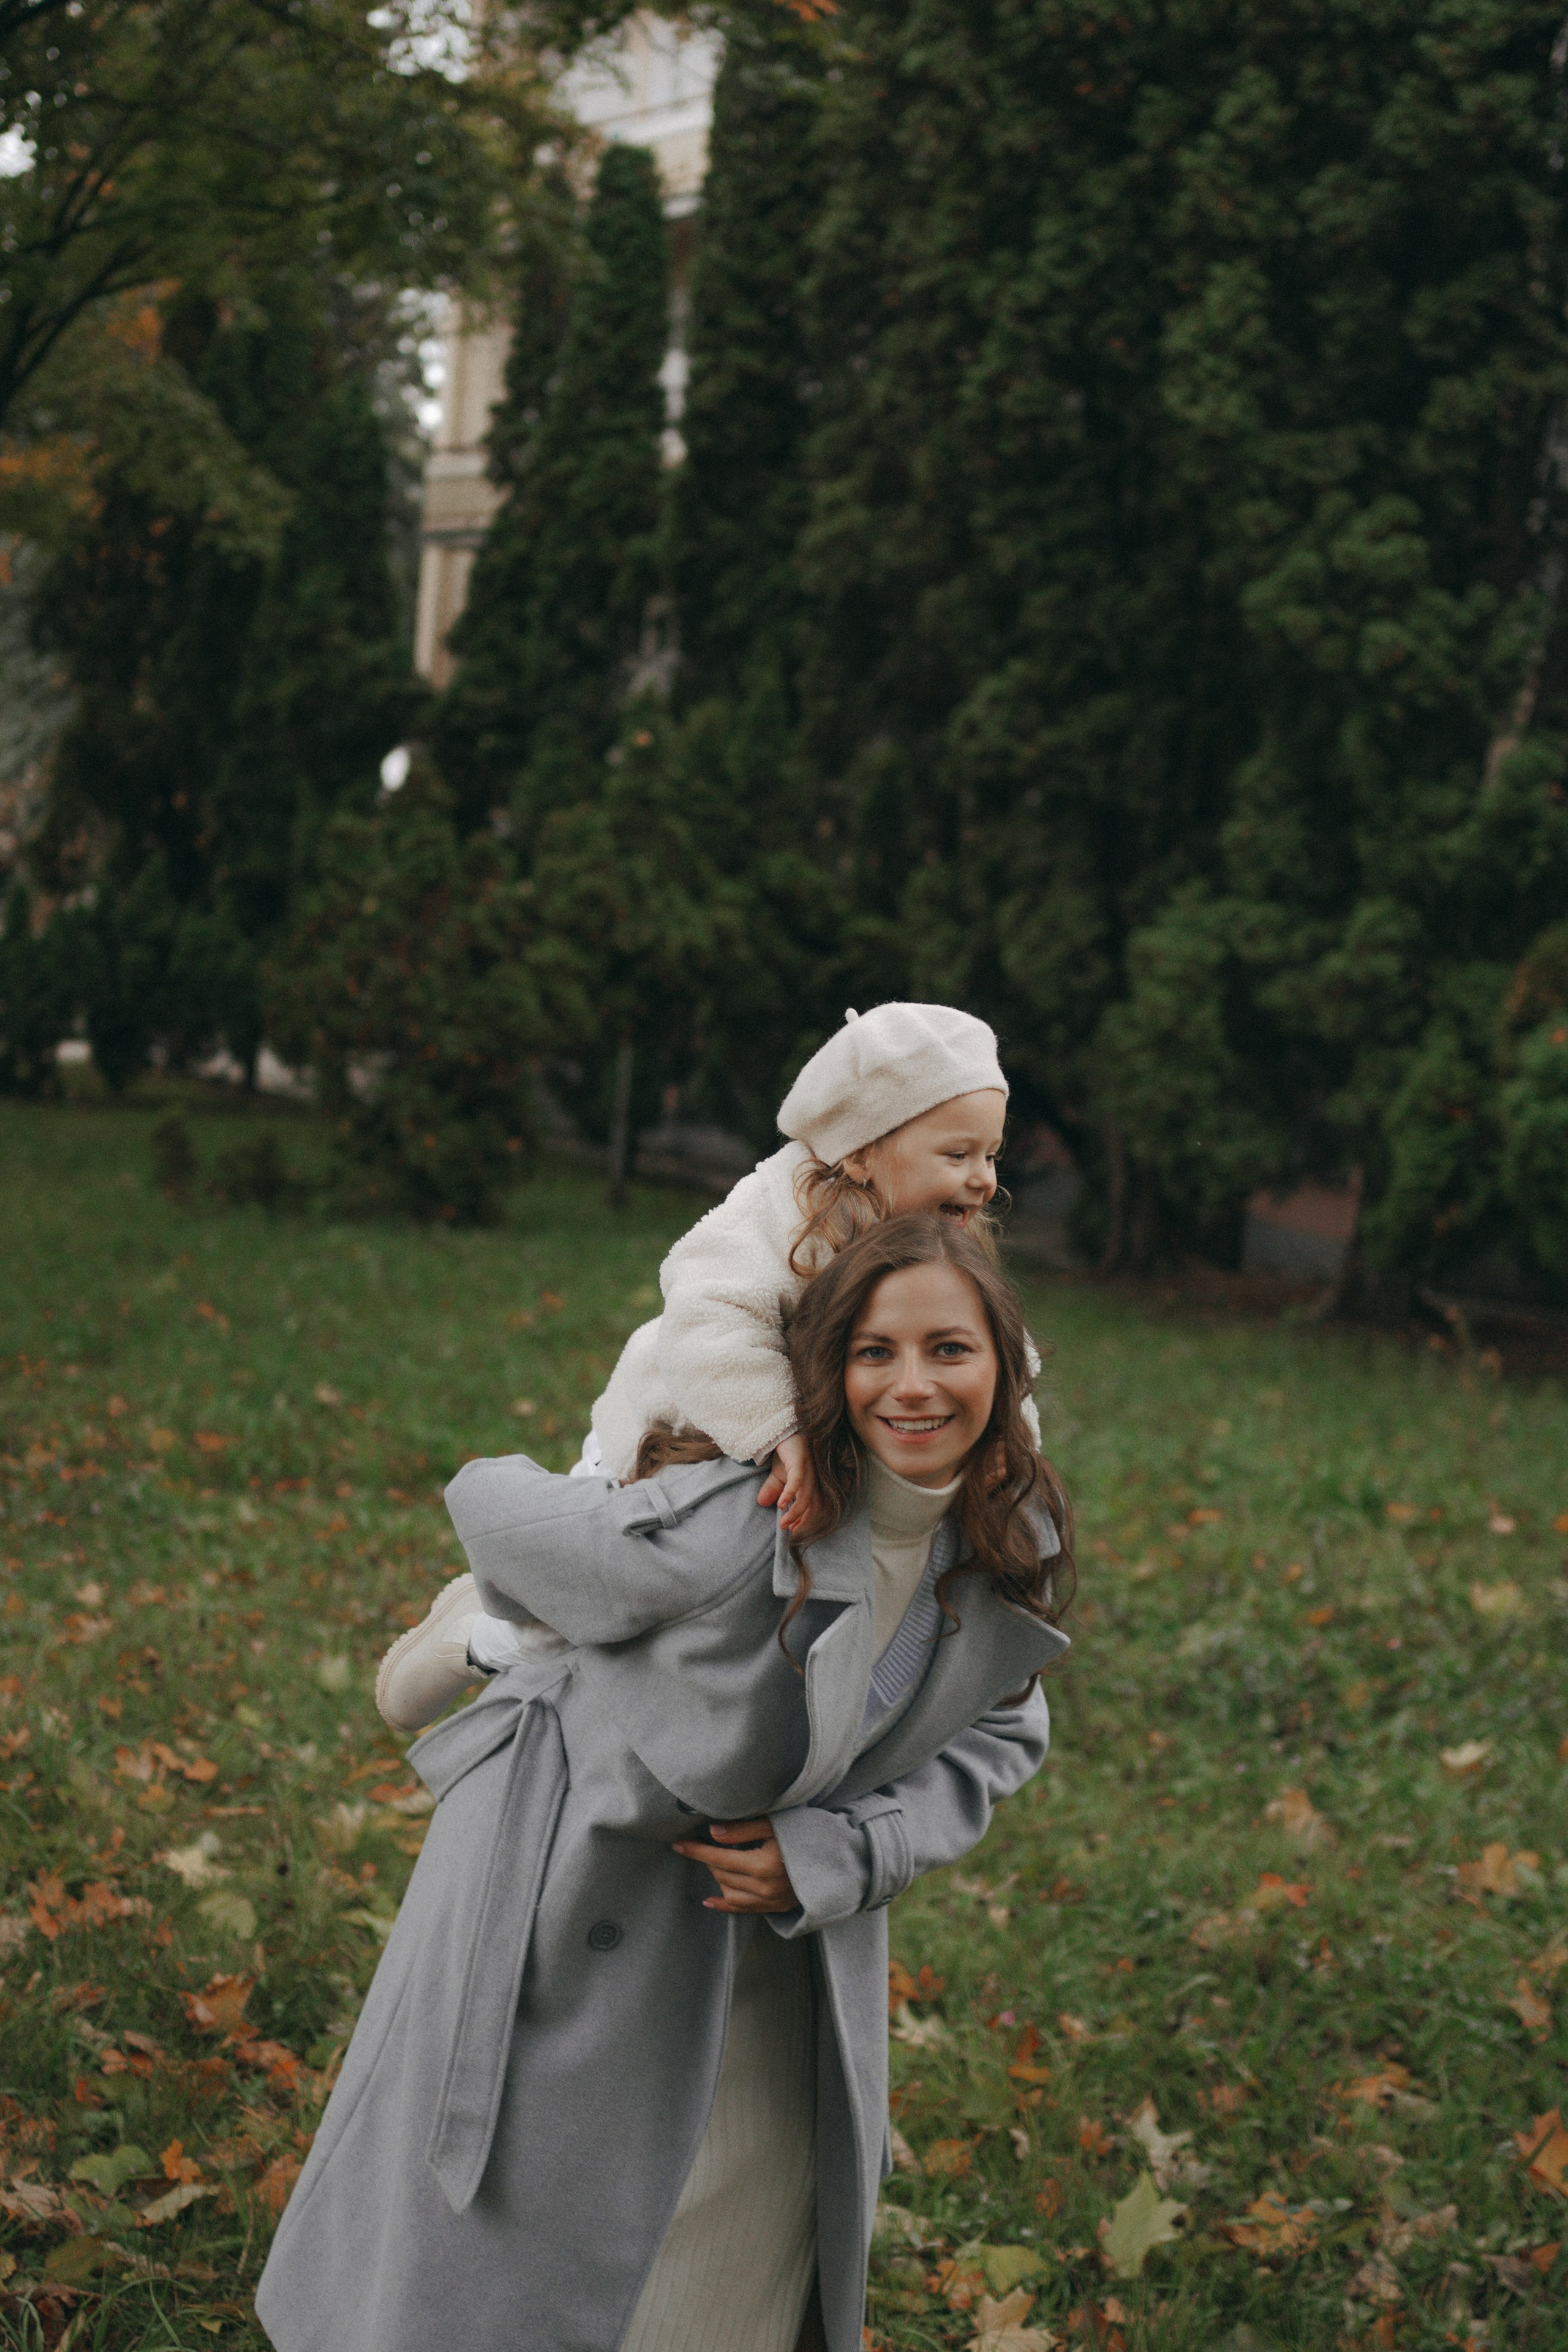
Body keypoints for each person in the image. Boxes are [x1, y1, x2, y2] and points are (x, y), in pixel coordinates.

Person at [255, 1213, 1074, 2352]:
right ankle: (498, 1633)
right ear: (828, 1373)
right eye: (874, 1351)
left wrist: (842, 1853)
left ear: (1003, 1366)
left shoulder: (1000, 1541)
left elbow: (1001, 1728)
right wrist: (532, 1581)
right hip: (583, 1885)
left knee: (741, 2250)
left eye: (950, 1349)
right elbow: (493, 1503)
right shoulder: (751, 1516)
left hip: (779, 1942)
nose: (913, 1385)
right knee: (520, 2250)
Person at [376, 1000, 1030, 1735]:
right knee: (590, 1616)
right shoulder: (785, 1208)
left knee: (704, 1631)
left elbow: (999, 1348)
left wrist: (1009, 1438)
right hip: (668, 1439)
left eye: (990, 1156)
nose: (982, 1180)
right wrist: (780, 1431)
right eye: (957, 1156)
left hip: (765, 1473)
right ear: (860, 1151)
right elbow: (709, 1314)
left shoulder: (942, 1246)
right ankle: (476, 1635)